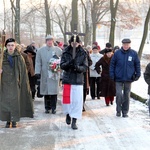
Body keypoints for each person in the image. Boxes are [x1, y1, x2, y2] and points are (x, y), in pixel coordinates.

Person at [0, 38, 34, 128]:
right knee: (6, 102)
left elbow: (23, 72)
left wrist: (21, 82)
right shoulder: (2, 57)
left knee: (15, 102)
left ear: (15, 46)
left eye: (12, 45)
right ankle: (7, 120)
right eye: (9, 45)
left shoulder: (19, 57)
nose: (10, 47)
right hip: (5, 83)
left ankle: (14, 120)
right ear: (6, 46)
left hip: (16, 83)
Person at [60, 35, 88, 130]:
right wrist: (69, 64)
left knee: (76, 101)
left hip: (77, 80)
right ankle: (68, 114)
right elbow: (62, 65)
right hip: (68, 79)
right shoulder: (66, 52)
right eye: (73, 43)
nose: (75, 45)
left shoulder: (83, 53)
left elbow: (85, 66)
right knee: (67, 100)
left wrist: (77, 67)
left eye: (76, 43)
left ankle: (74, 120)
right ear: (70, 43)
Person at [110, 38, 141, 117]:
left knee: (127, 95)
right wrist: (112, 74)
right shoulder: (117, 53)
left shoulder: (133, 53)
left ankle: (125, 111)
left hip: (129, 77)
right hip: (118, 77)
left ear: (129, 45)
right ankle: (118, 110)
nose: (126, 46)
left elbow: (137, 64)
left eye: (127, 44)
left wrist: (138, 74)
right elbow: (112, 64)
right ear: (122, 44)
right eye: (124, 44)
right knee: (119, 94)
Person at [35, 35, 62, 114]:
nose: (50, 42)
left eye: (51, 40)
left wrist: (62, 72)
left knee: (54, 91)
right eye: (48, 40)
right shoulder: (40, 51)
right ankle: (47, 107)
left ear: (53, 41)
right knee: (46, 91)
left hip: (54, 73)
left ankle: (54, 107)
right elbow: (38, 62)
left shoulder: (58, 50)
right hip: (45, 73)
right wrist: (37, 72)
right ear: (46, 41)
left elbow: (62, 61)